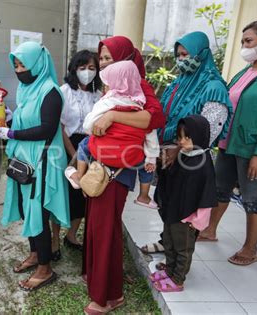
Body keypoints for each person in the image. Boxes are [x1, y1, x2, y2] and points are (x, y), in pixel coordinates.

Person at [199, 20, 257, 266]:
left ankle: (250, 249)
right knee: (220, 190)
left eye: (248, 41)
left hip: (253, 148)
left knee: (253, 199)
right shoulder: (245, 72)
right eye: (243, 41)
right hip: (228, 144)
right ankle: (210, 230)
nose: (244, 47)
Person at [81, 35, 165, 314]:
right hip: (101, 168)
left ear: (125, 59)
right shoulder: (114, 87)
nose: (103, 63)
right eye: (101, 58)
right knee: (102, 228)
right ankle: (108, 287)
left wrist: (113, 116)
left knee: (104, 230)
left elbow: (152, 119)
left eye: (108, 58)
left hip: (117, 171)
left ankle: (104, 296)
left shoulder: (137, 85)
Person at [141, 31, 232, 255]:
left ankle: (179, 260)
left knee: (184, 210)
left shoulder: (213, 87)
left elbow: (209, 130)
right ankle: (167, 242)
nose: (182, 59)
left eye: (186, 54)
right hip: (168, 155)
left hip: (190, 160)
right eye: (179, 55)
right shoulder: (179, 83)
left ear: (202, 54)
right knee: (167, 202)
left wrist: (178, 150)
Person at [0, 41, 70, 291]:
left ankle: (45, 269)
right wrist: (5, 115)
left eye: (23, 64)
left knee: (38, 213)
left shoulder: (50, 91)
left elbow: (47, 128)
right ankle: (36, 254)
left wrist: (11, 134)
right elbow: (23, 118)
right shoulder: (27, 89)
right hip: (26, 160)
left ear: (38, 63)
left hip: (43, 161)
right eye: (15, 65)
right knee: (28, 210)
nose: (18, 70)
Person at [65, 60, 159, 187]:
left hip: (104, 154)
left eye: (108, 84)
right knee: (146, 164)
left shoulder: (107, 102)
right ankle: (144, 195)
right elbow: (150, 132)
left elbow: (88, 127)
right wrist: (151, 157)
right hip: (131, 156)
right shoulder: (140, 104)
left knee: (84, 144)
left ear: (117, 84)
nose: (105, 87)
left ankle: (79, 177)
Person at [150, 115, 217, 292]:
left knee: (183, 249)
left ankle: (178, 280)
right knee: (170, 244)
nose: (182, 141)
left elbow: (206, 195)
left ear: (199, 136)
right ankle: (170, 272)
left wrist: (196, 221)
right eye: (180, 137)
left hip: (187, 218)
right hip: (173, 211)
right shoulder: (184, 156)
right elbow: (172, 181)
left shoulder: (203, 163)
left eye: (187, 137)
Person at [50, 50, 102, 256]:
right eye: (82, 68)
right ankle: (54, 240)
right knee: (61, 193)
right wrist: (73, 153)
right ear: (74, 69)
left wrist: (84, 154)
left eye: (91, 68)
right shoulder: (63, 92)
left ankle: (71, 235)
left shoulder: (99, 96)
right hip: (65, 145)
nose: (87, 72)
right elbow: (60, 126)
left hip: (90, 146)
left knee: (82, 193)